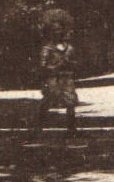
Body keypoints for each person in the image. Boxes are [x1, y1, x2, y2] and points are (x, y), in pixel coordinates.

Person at [31, 9, 80, 139]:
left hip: (66, 78)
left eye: (59, 29)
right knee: (48, 101)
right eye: (53, 30)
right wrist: (57, 66)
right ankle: (37, 127)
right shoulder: (47, 49)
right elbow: (43, 66)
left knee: (70, 102)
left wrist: (72, 64)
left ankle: (71, 129)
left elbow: (76, 63)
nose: (57, 32)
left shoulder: (69, 48)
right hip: (52, 79)